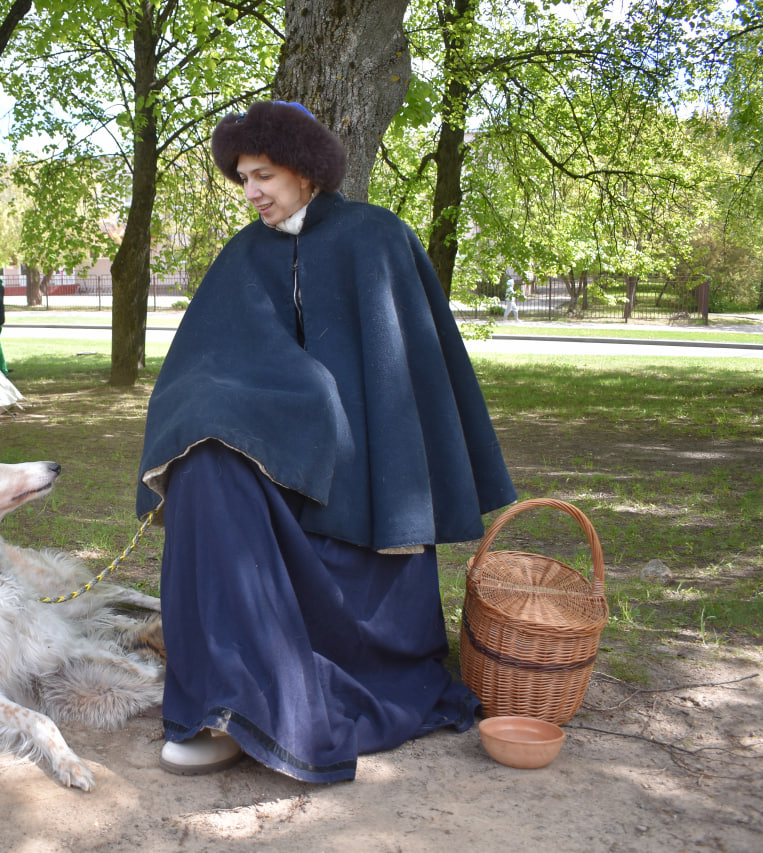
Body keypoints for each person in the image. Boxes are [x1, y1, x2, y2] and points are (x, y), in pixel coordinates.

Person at [135, 101, 518, 782]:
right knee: (207, 468)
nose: (251, 192)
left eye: (264, 175)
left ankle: (294, 690)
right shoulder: (244, 254)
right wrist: (214, 415)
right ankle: (229, 703)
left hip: (362, 474)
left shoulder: (375, 238)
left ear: (307, 172)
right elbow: (207, 365)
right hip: (273, 471)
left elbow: (404, 379)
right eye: (243, 178)